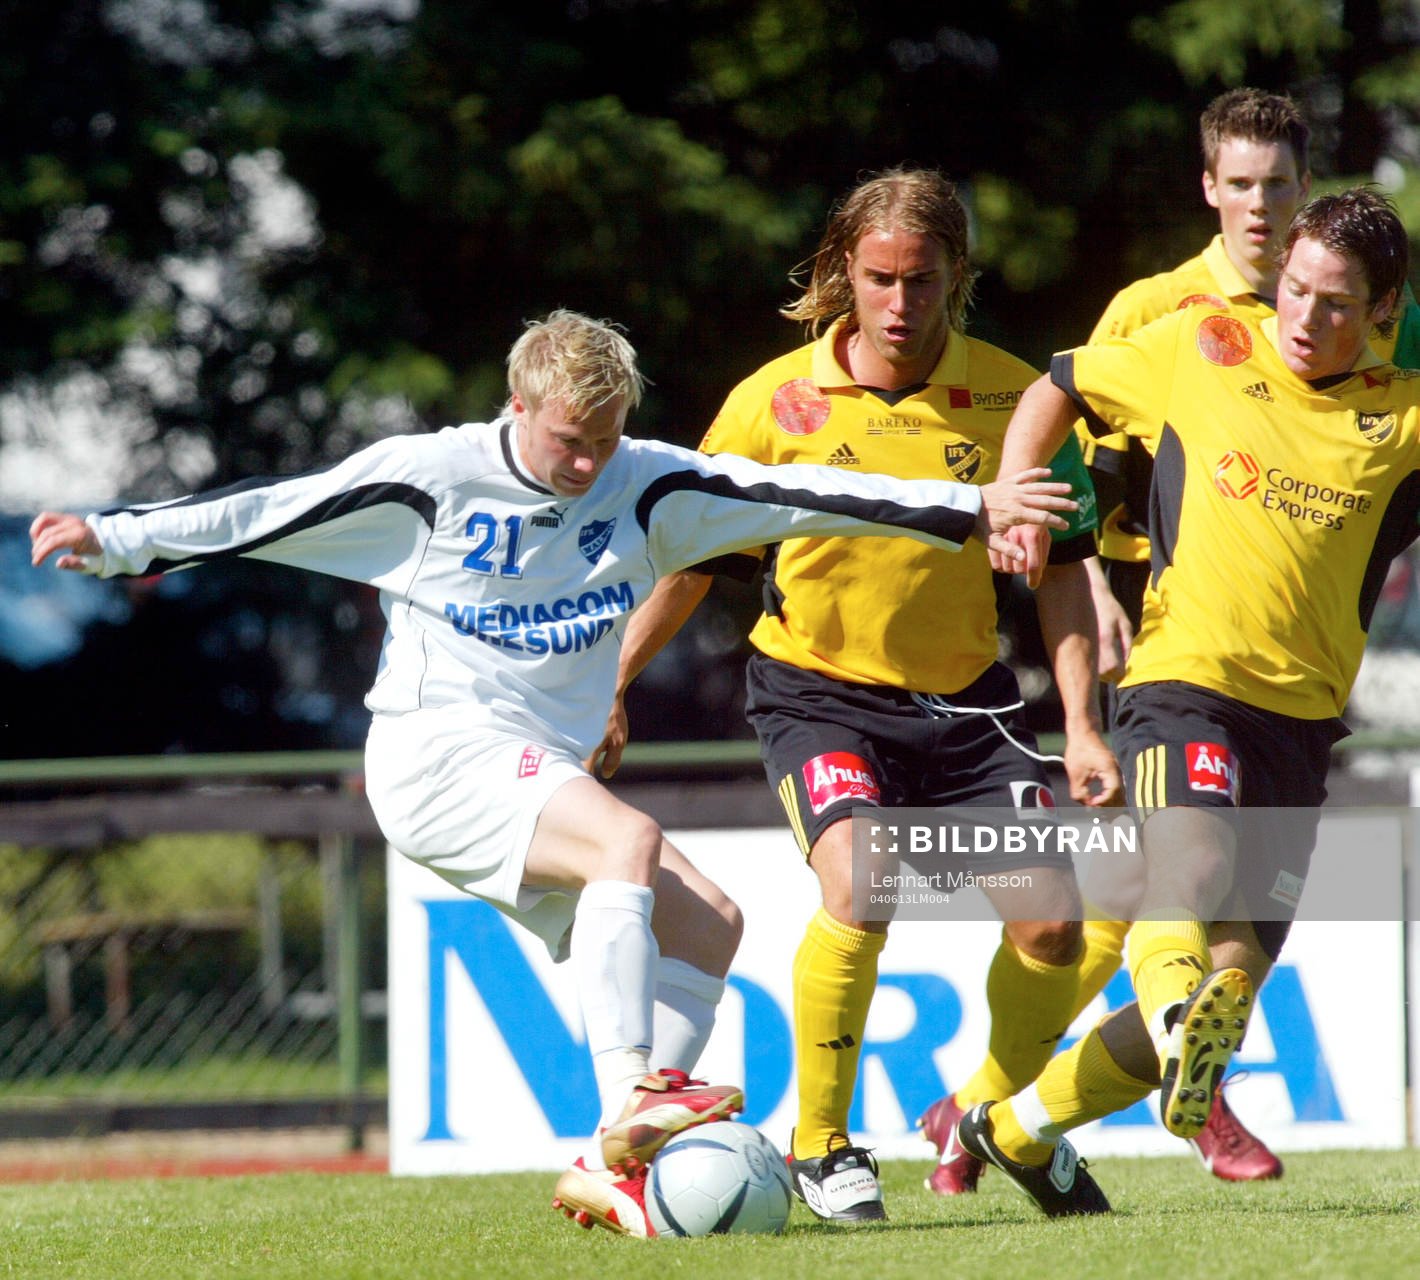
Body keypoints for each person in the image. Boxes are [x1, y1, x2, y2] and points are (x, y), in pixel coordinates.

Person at [29, 309, 1078, 1238]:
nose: (586, 463)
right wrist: (115, 538)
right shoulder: (431, 477)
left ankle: (610, 1165)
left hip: (526, 768)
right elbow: (271, 509)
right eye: (568, 440)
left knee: (710, 924)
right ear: (518, 406)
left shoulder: (648, 482)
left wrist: (970, 507)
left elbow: (802, 491)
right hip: (436, 752)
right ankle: (633, 1096)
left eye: (604, 440)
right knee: (628, 841)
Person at [587, 169, 1121, 1222]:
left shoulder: (1017, 399)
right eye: (878, 277)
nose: (898, 301)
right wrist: (612, 681)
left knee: (1054, 927)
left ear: (956, 274)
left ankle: (989, 1114)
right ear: (843, 272)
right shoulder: (772, 402)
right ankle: (822, 1142)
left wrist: (1082, 725)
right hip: (817, 694)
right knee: (862, 879)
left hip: (967, 709)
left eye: (921, 278)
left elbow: (1063, 571)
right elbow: (694, 563)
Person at [956, 186, 1418, 1215]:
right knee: (1189, 866)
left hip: (1301, 727)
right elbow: (1059, 381)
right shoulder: (1199, 345)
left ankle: (1014, 1128)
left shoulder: (1402, 418)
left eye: (1337, 304)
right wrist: (1016, 490)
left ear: (1386, 310)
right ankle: (1180, 1044)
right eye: (1295, 289)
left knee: (1234, 974)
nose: (1304, 317)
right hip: (1183, 684)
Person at [934, 86, 1314, 1190]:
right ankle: (1201, 1098)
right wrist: (1091, 582)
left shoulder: (1346, 308)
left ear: (1305, 187)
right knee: (1176, 879)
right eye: (1238, 184)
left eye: (1276, 184)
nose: (1258, 205)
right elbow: (1079, 457)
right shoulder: (1155, 308)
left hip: (1287, 655)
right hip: (1167, 629)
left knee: (1141, 908)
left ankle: (983, 1112)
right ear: (1208, 188)